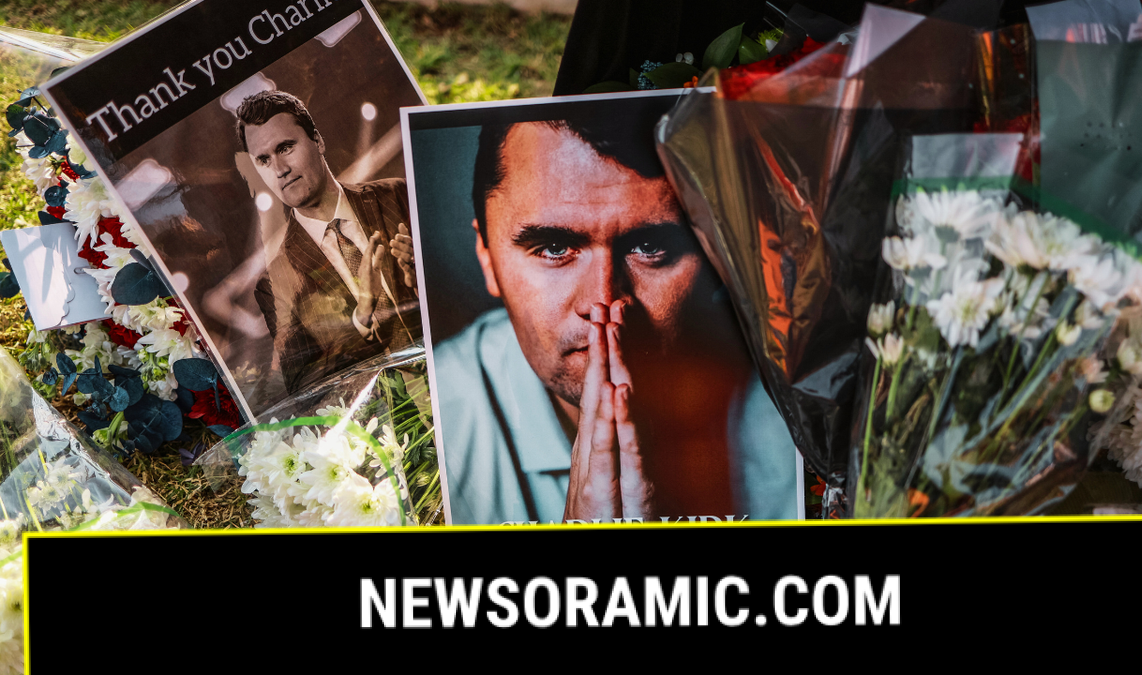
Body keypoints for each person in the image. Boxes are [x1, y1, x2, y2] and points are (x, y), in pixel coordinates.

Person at [432, 115, 798, 525]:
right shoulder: (429, 433)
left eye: (649, 245)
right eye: (554, 247)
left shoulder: (797, 411)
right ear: (486, 254)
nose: (603, 302)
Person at [236, 91, 420, 395]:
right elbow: (305, 388)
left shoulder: (398, 195)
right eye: (264, 160)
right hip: (394, 427)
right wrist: (361, 317)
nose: (279, 169)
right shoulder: (275, 283)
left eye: (286, 147)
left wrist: (425, 277)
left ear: (318, 141)